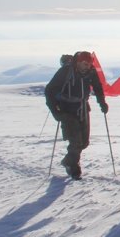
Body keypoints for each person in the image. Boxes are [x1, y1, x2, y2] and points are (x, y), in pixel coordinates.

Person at [45, 51, 108, 179]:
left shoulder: (91, 71)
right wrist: (55, 112)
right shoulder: (66, 71)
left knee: (84, 142)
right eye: (85, 64)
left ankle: (69, 161)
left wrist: (102, 103)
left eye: (90, 64)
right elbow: (49, 90)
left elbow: (97, 87)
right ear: (78, 62)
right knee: (76, 141)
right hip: (67, 109)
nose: (88, 66)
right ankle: (73, 167)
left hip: (83, 108)